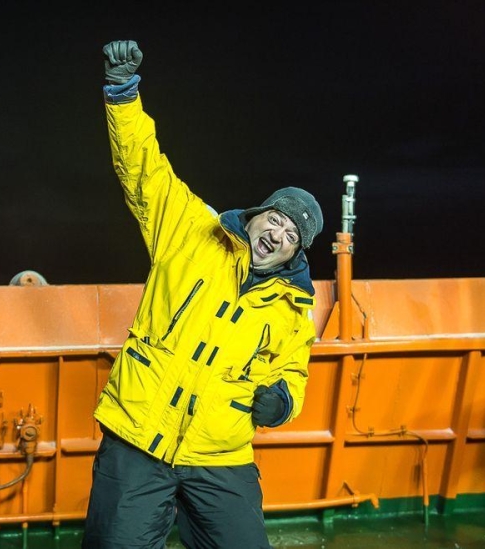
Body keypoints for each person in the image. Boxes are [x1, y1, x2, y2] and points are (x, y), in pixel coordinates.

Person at [82, 40, 323, 549]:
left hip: (220, 453)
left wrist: (280, 401)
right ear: (257, 216)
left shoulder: (294, 309)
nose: (277, 233)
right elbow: (143, 170)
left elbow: (293, 371)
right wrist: (123, 94)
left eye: (291, 234)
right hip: (138, 434)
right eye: (275, 218)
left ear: (296, 253)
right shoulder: (193, 228)